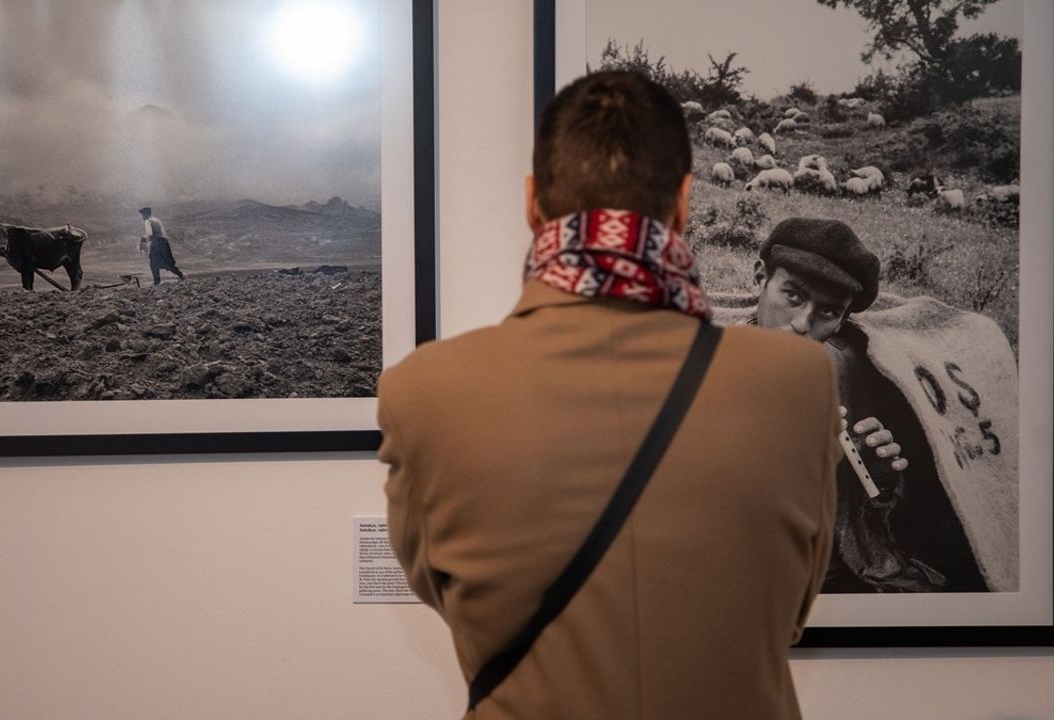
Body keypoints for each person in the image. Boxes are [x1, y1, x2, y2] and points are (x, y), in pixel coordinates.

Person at [378, 71, 840, 719]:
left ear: (532, 204)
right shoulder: (800, 382)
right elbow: (790, 611)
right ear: (683, 203)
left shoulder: (420, 392)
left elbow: (447, 597)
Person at [739, 218, 991, 592]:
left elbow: (890, 524)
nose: (801, 324)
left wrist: (879, 480)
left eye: (827, 312)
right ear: (761, 278)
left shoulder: (851, 372)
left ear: (841, 320)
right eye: (792, 296)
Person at [137, 206, 185, 285]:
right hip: (164, 242)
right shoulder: (157, 220)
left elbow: (149, 233)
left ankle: (156, 281)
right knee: (167, 262)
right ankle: (181, 274)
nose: (142, 216)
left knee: (153, 262)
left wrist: (143, 239)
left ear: (146, 214)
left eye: (143, 214)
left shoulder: (148, 221)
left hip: (157, 243)